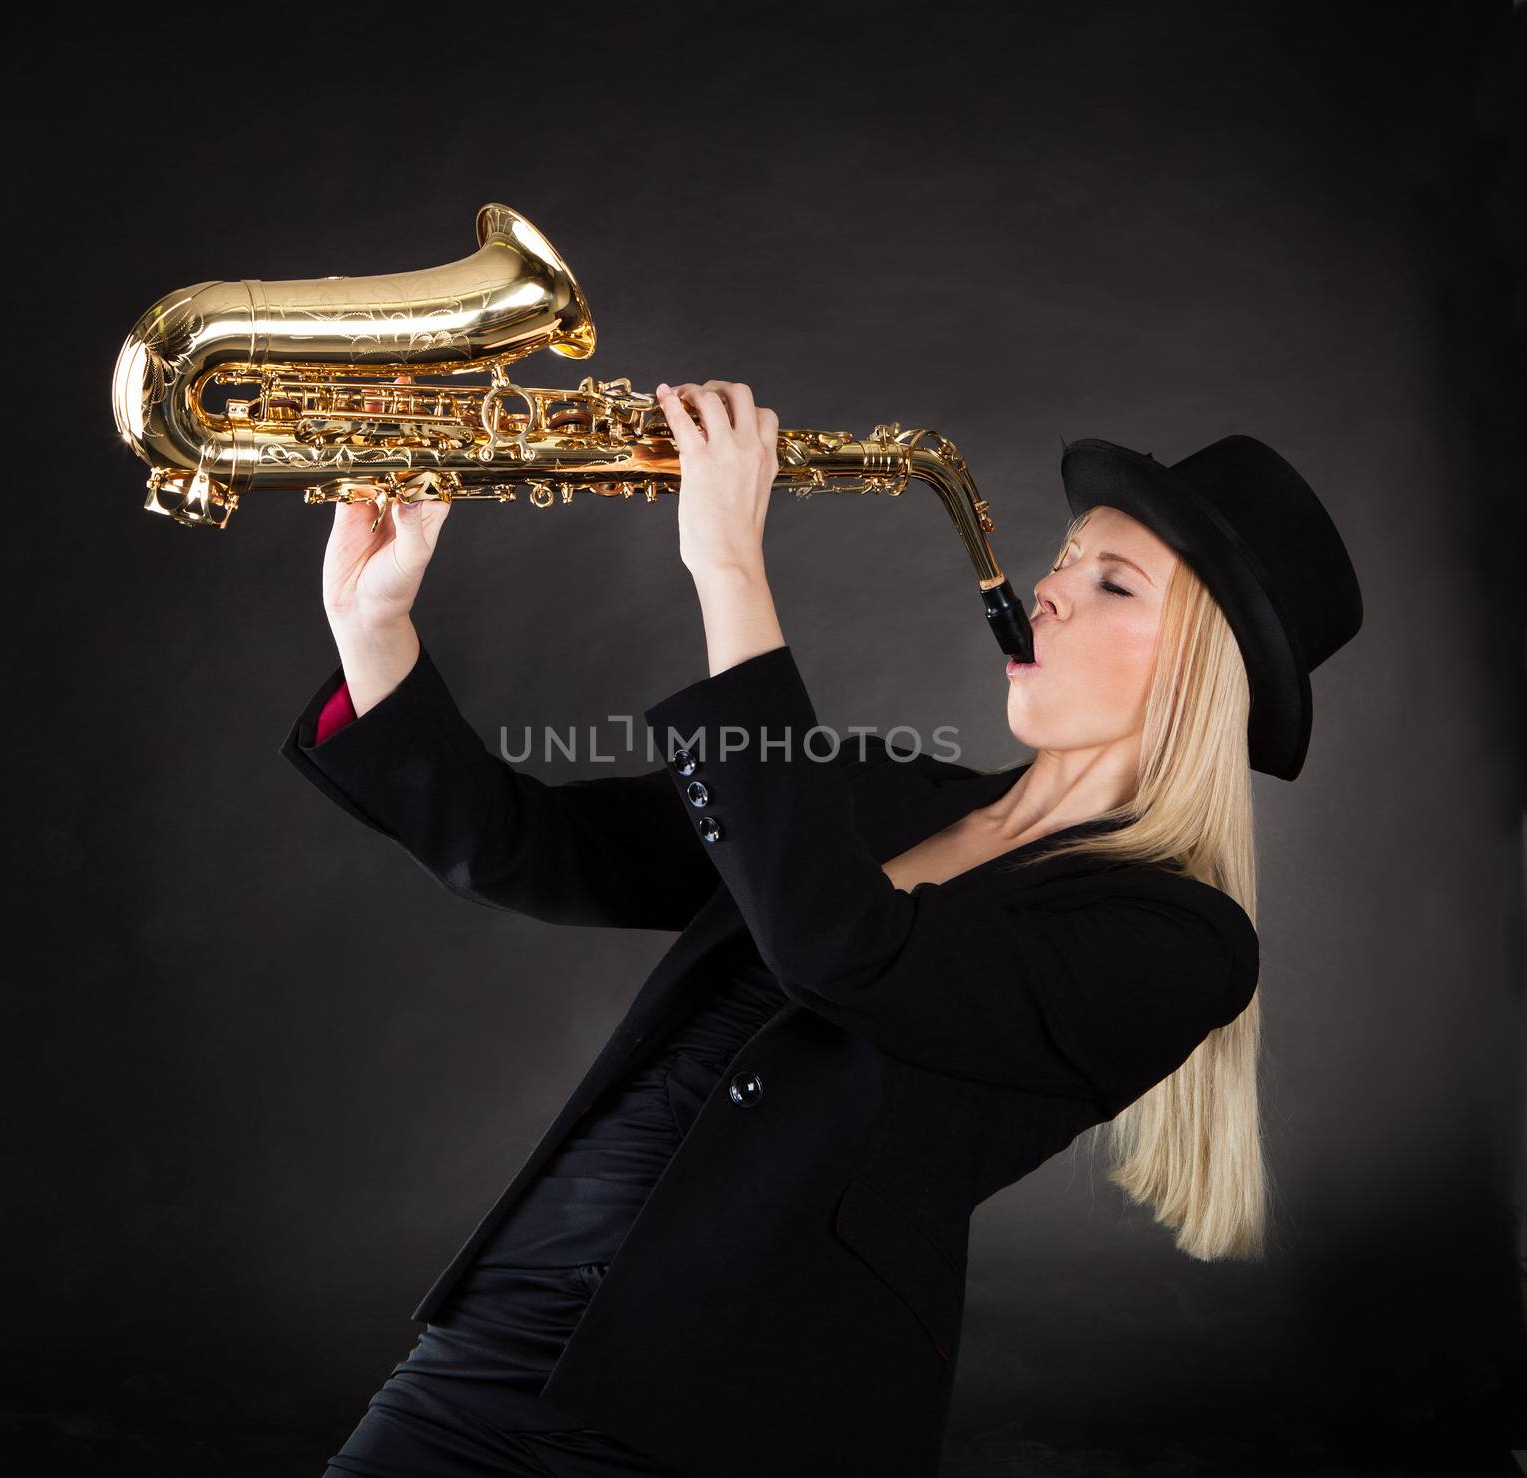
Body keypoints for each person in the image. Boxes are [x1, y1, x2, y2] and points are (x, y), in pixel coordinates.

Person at [280, 379, 1363, 1478]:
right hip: (498, 1344)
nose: (1047, 591)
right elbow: (534, 845)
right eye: (1066, 556)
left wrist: (731, 571)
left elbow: (847, 950)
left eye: (1111, 580)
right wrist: (374, 629)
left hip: (730, 1418)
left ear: (1196, 670)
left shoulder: (1182, 944)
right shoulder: (870, 786)